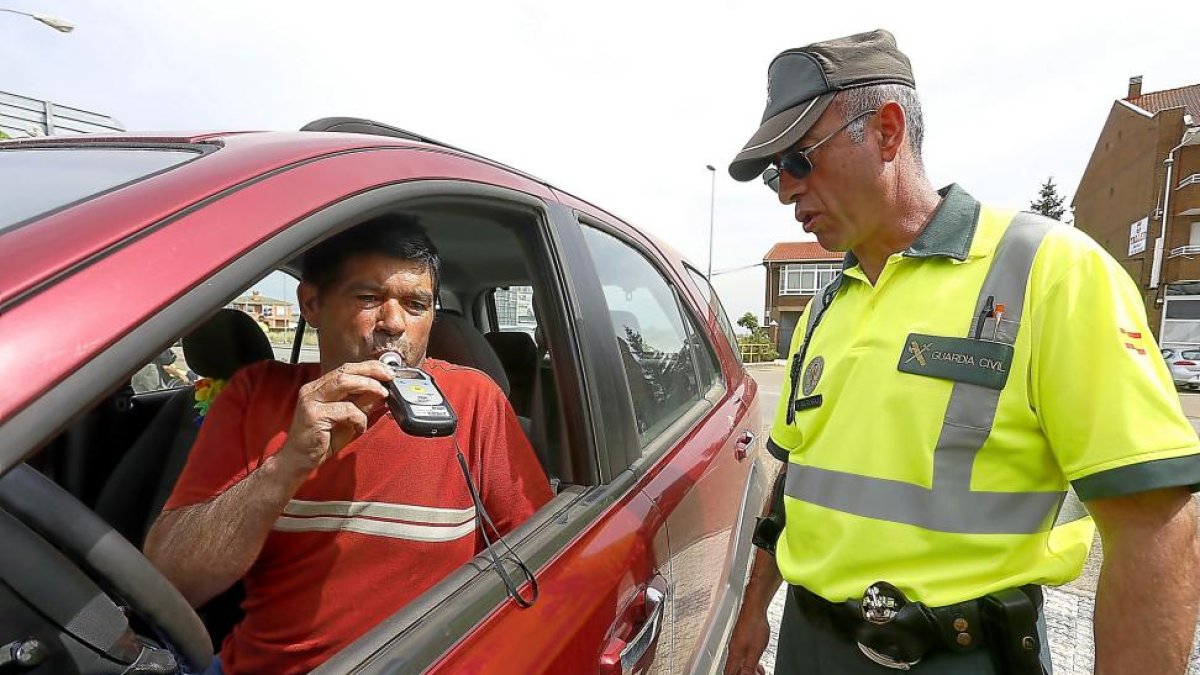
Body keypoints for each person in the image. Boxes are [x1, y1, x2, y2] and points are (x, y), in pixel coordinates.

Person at [723, 29, 1200, 675]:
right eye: (776, 174)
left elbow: (1153, 525)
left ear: (888, 131)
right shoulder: (823, 309)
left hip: (957, 657)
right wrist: (754, 614)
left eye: (800, 161)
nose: (785, 191)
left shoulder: (1047, 269)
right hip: (808, 645)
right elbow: (794, 481)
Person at [144, 215, 553, 675]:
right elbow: (170, 580)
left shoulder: (473, 401)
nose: (394, 323)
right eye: (369, 298)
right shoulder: (253, 394)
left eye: (416, 304)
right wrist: (288, 465)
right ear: (312, 303)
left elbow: (543, 563)